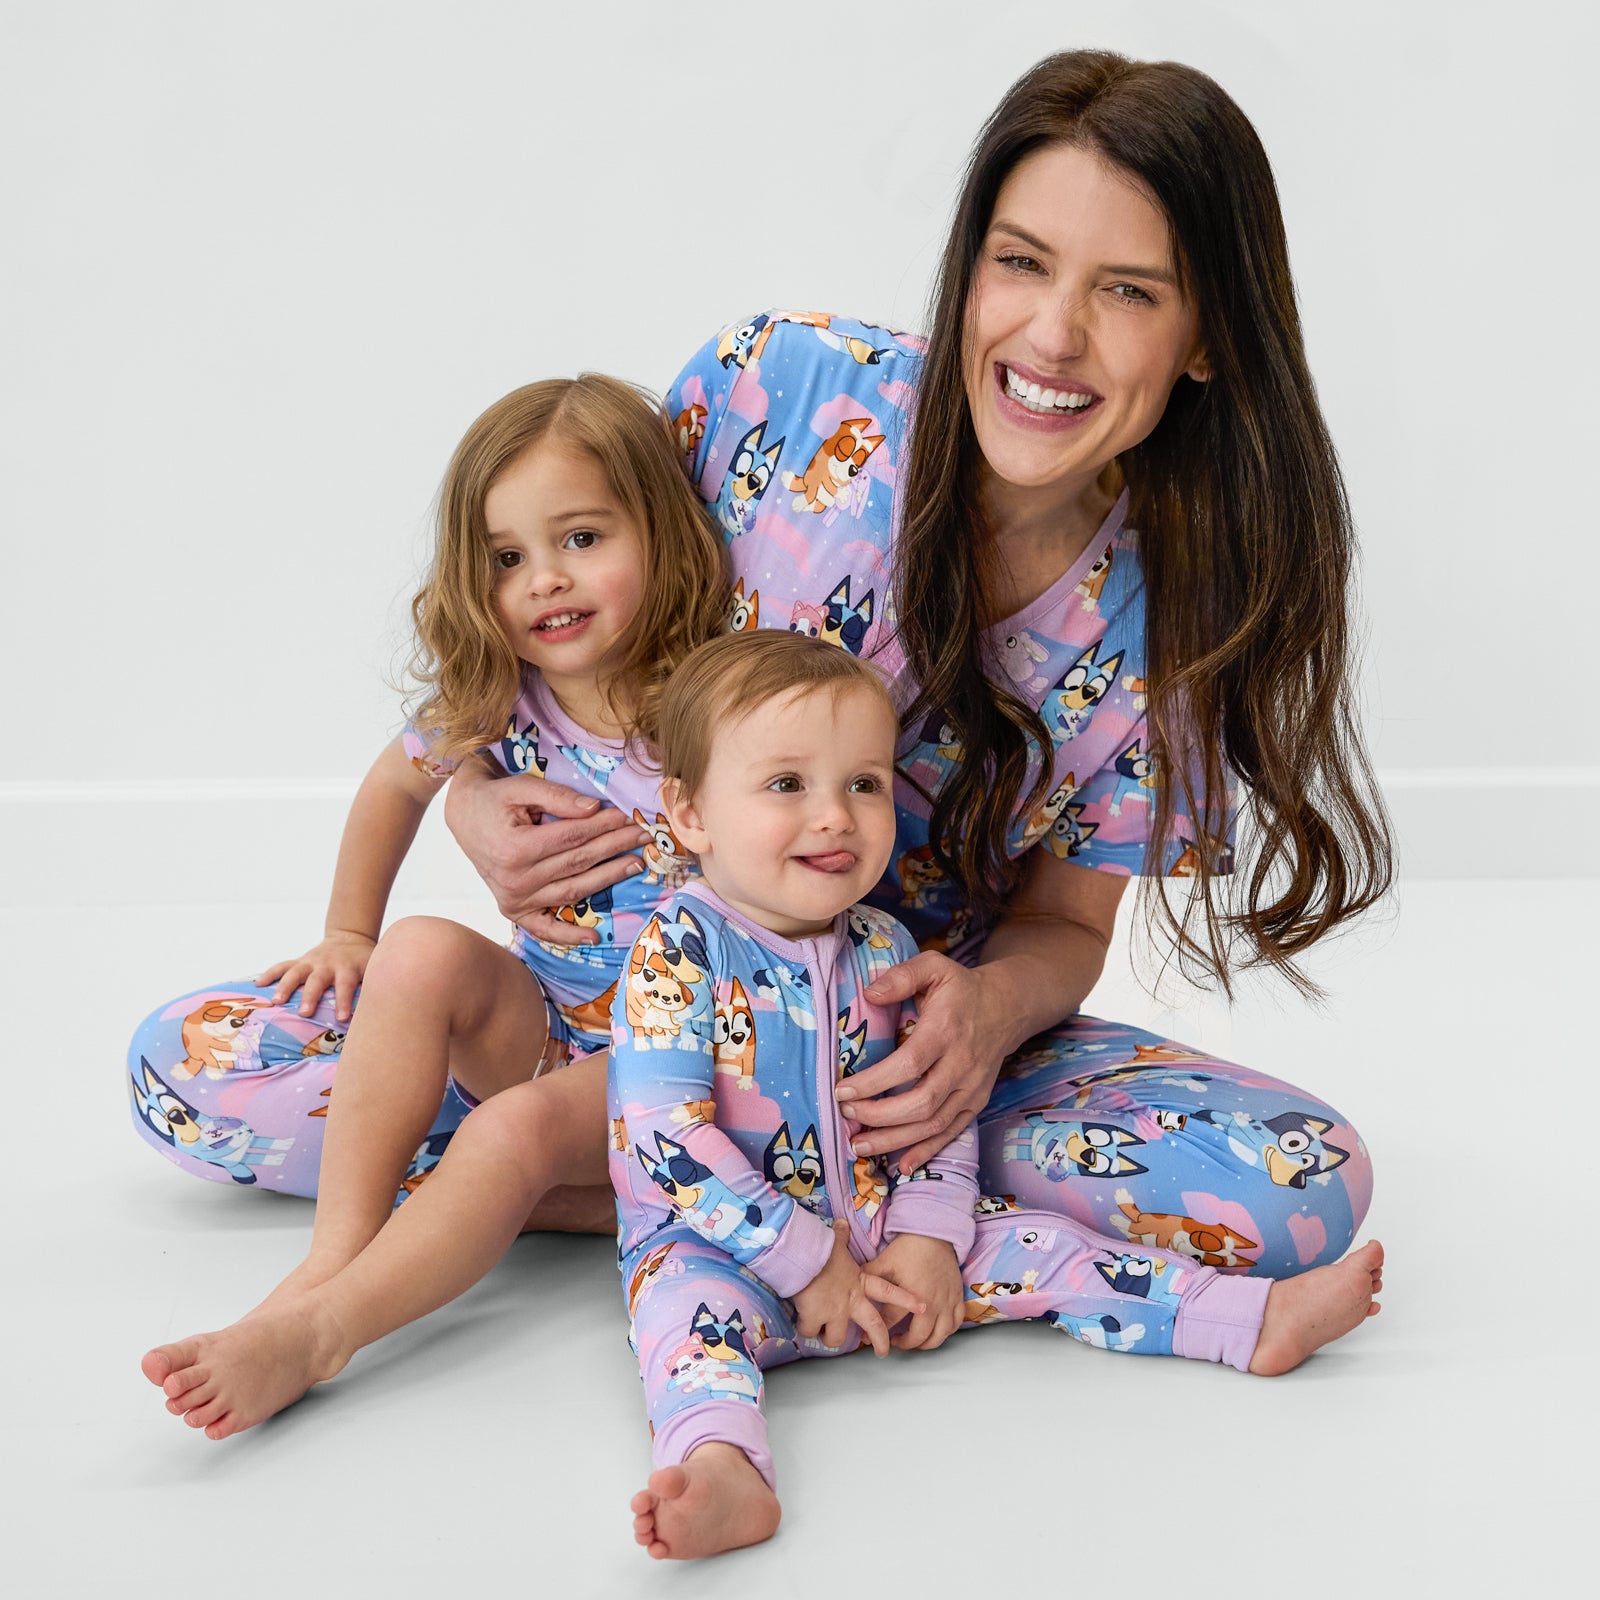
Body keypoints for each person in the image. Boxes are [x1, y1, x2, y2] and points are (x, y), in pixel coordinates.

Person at [131, 49, 1389, 1313]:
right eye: (1020, 262)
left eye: (1126, 290)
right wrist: (469, 793)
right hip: (594, 1010)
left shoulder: (1178, 631)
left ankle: (588, 1180)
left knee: (1298, 1185)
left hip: (875, 1068)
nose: (1052, 334)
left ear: (1206, 338)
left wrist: (984, 1015)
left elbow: (1067, 926)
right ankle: (674, 1172)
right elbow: (564, 596)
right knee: (185, 1069)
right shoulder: (781, 386)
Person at [615, 630, 1382, 1561]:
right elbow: (665, 1139)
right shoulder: (678, 951)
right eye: (787, 785)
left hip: (887, 1239)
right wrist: (804, 1261)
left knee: (1055, 1249)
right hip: (726, 1254)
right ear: (689, 812)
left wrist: (930, 1237)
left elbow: (944, 1106)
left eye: (864, 784)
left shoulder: (887, 947)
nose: (835, 817)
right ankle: (724, 1468)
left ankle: (1245, 1323)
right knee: (684, 1333)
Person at [138, 373, 727, 1436]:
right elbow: (392, 787)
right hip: (550, 1029)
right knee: (417, 950)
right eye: (506, 558)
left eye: (582, 537)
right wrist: (349, 934)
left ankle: (332, 1327)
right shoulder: (502, 698)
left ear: (664, 533)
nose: (545, 579)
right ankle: (335, 1254)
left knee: (505, 1131)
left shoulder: (718, 696)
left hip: (684, 1066)